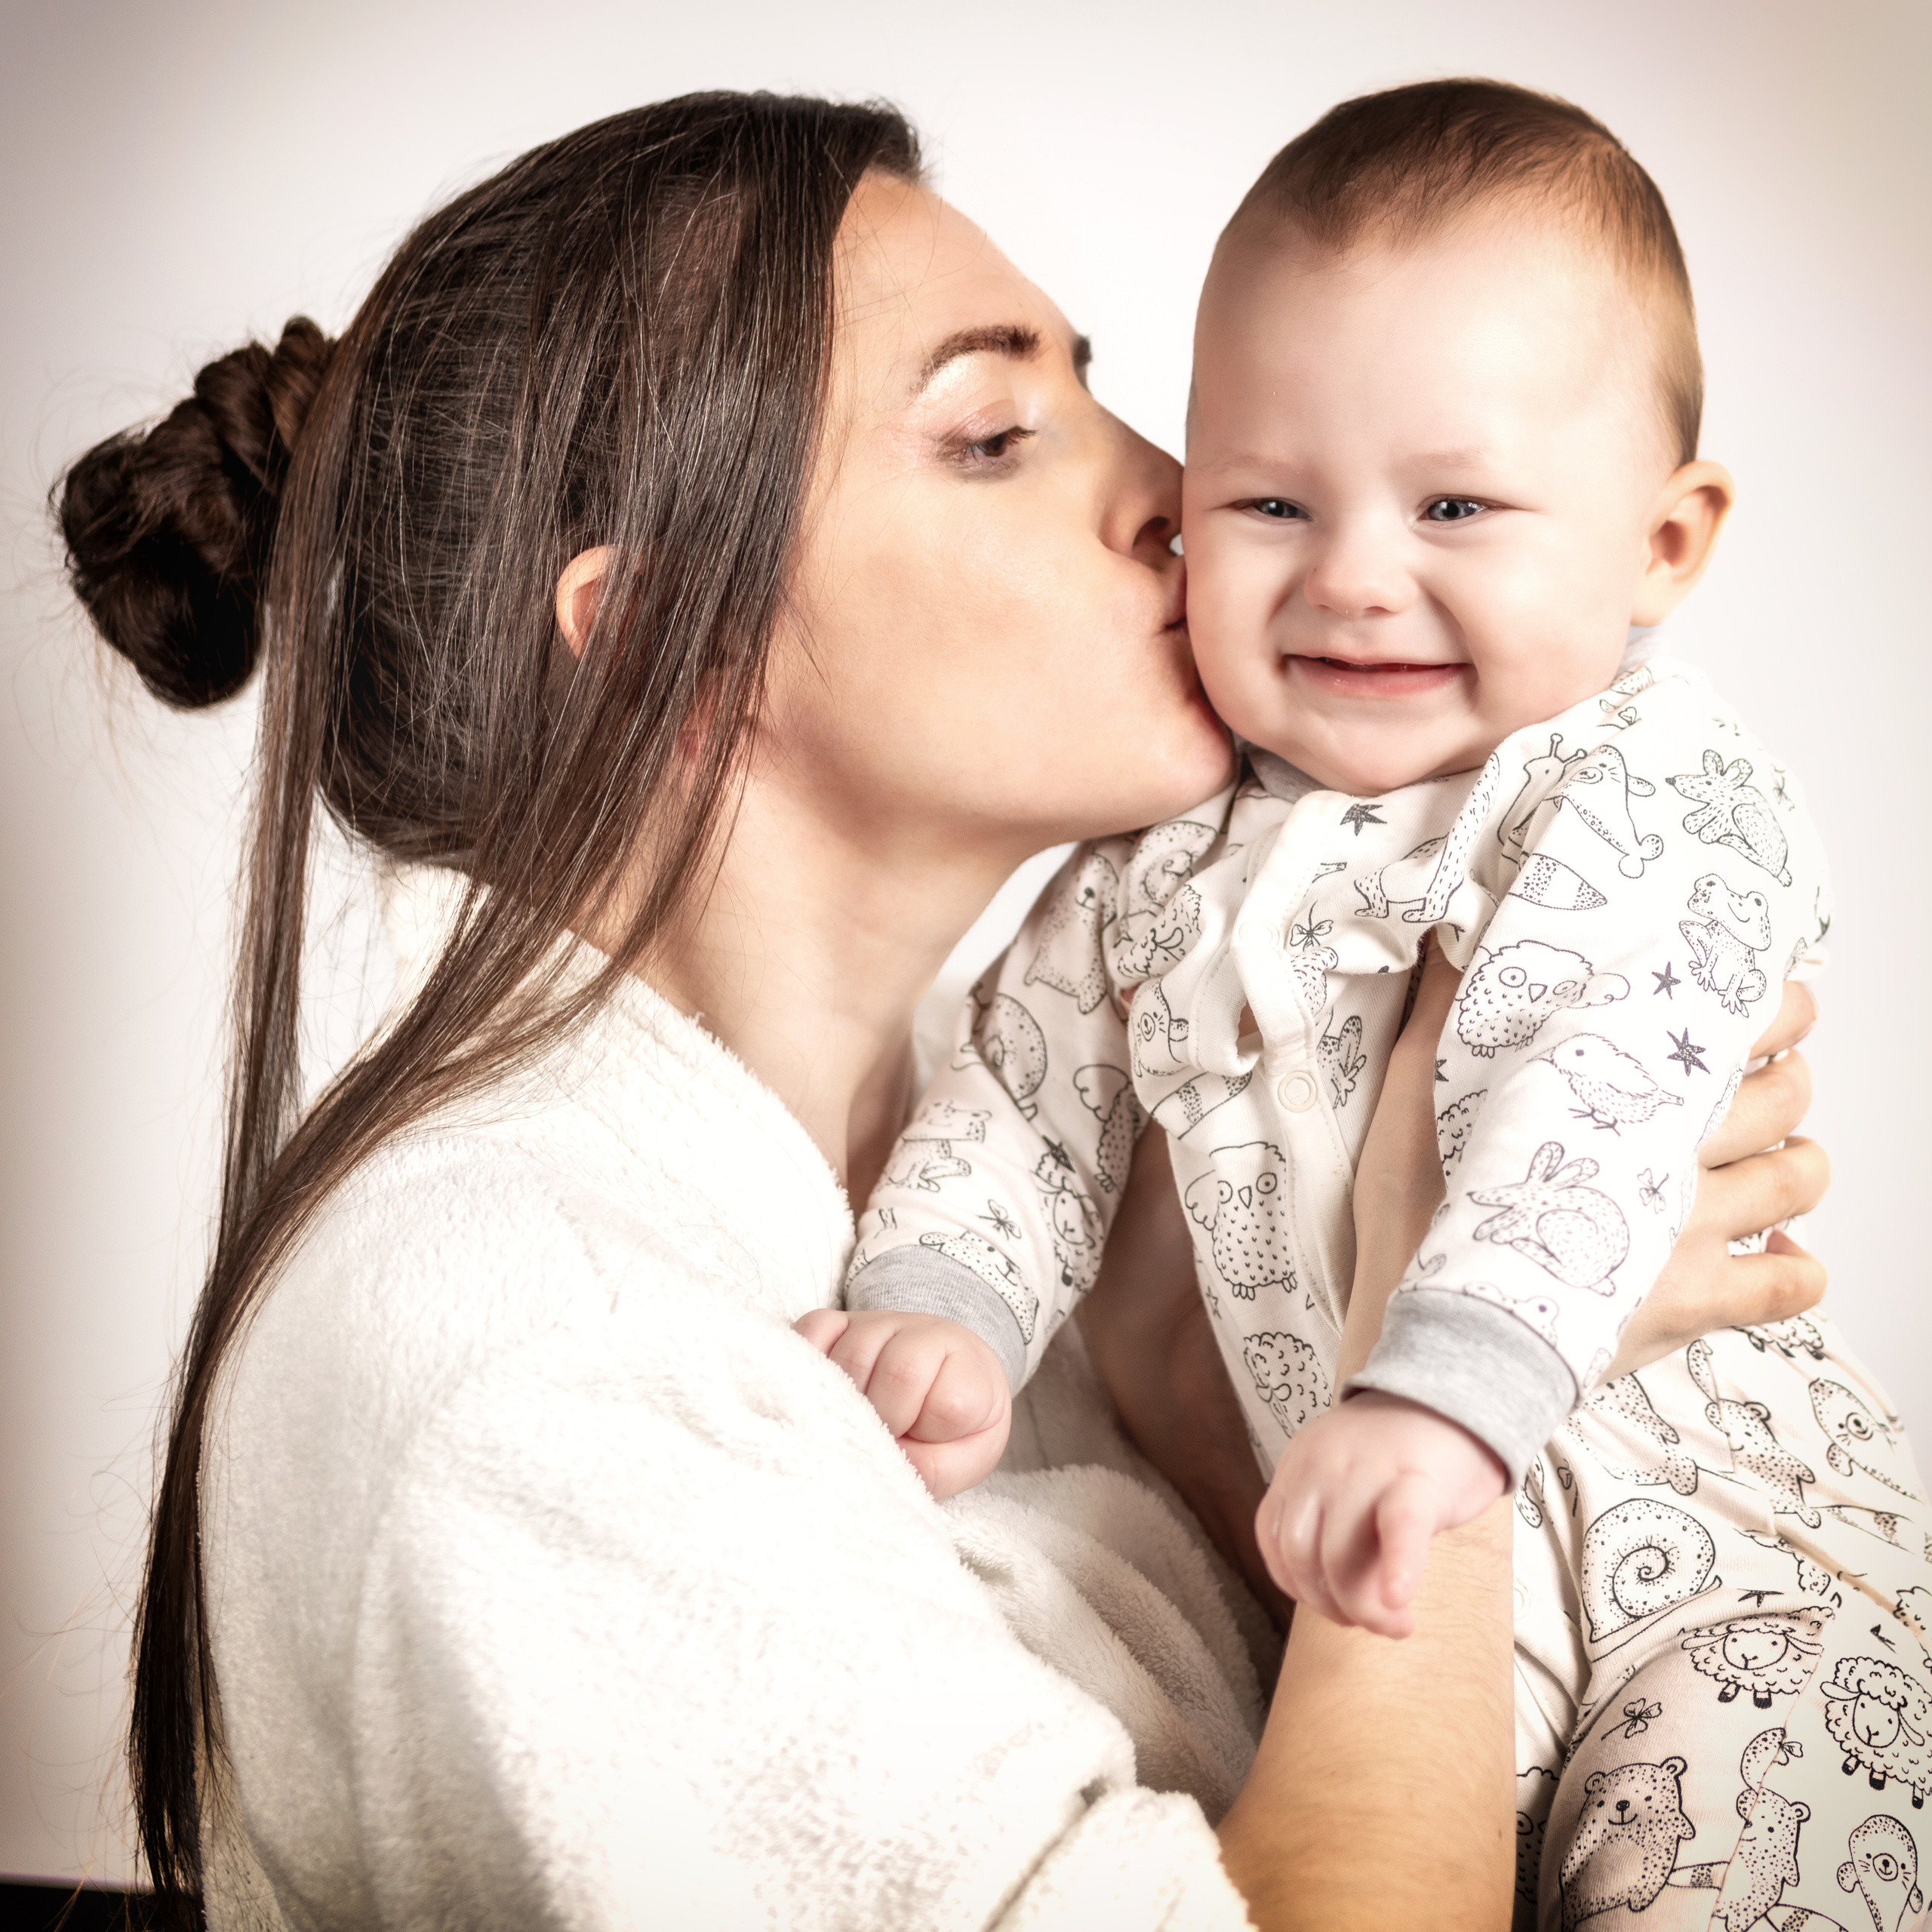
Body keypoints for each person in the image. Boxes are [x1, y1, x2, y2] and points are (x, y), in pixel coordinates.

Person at [57, 91, 1827, 1930]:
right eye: (993, 433)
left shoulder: (1051, 1153)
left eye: (1096, 387)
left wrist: (1205, 1396)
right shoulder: (536, 1371)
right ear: (682, 641)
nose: (1178, 491)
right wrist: (1427, 1345)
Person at [829, 81, 1931, 1930]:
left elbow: (1593, 1089)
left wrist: (1440, 1391)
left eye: (1452, 503)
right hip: (1387, 1581)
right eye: (1266, 499)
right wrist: (941, 1303)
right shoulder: (1154, 852)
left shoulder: (1635, 783)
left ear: (1660, 543)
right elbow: (1022, 1100)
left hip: (1728, 1578)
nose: (1349, 574)